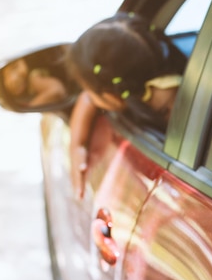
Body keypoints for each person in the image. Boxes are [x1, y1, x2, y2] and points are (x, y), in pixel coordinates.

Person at [66, 12, 186, 199]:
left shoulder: (170, 113)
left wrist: (77, 146)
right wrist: (76, 146)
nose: (87, 96)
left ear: (111, 96)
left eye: (88, 89)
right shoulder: (175, 80)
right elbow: (88, 99)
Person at [1, 57, 68, 107]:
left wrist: (30, 108)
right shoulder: (22, 95)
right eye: (5, 76)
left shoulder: (33, 77)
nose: (13, 79)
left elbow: (56, 89)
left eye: (15, 67)